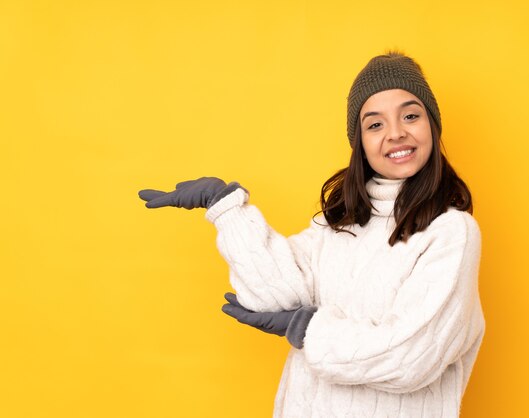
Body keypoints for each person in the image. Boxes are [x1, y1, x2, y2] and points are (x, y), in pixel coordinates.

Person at [139, 51, 486, 417]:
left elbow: (412, 357)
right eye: (375, 124)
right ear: (361, 144)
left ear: (432, 125)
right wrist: (225, 209)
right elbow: (274, 295)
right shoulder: (338, 224)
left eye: (411, 116)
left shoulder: (451, 232)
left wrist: (307, 330)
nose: (396, 133)